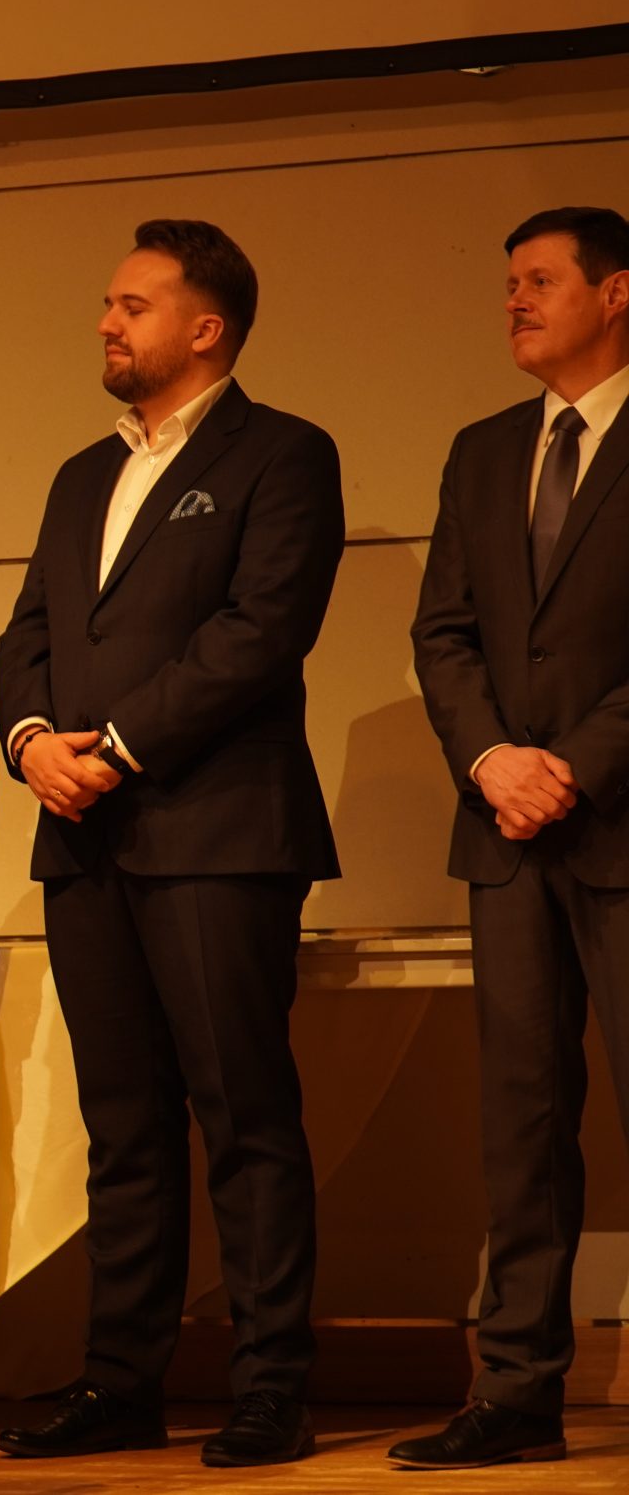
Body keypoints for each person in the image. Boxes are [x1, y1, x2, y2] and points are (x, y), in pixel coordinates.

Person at [0, 219, 343, 1468]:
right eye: (107, 302)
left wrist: (120, 747)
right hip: (83, 836)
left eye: (131, 305)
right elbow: (28, 631)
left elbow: (260, 631)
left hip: (216, 832)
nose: (105, 321)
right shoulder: (80, 474)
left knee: (243, 1118)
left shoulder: (283, 454)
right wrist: (32, 740)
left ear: (205, 327)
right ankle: (120, 1380)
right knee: (122, 1127)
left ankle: (269, 1385)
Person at [398, 205, 629, 1470]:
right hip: (505, 832)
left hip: (619, 818)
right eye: (507, 285)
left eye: (539, 280)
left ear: (616, 293)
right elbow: (444, 632)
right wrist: (492, 759)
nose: (514, 302)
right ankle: (518, 1392)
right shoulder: (483, 451)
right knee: (520, 1123)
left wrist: (575, 765)